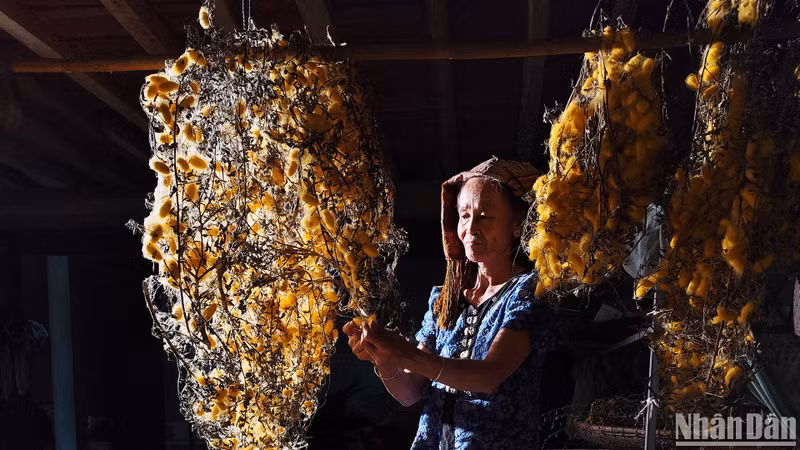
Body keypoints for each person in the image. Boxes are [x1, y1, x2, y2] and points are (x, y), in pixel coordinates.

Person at [343, 157, 560, 449]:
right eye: (464, 215)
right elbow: (409, 392)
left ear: (518, 224)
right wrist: (383, 358)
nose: (470, 228)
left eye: (485, 216)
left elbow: (489, 376)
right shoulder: (445, 299)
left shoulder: (528, 292)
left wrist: (404, 352)